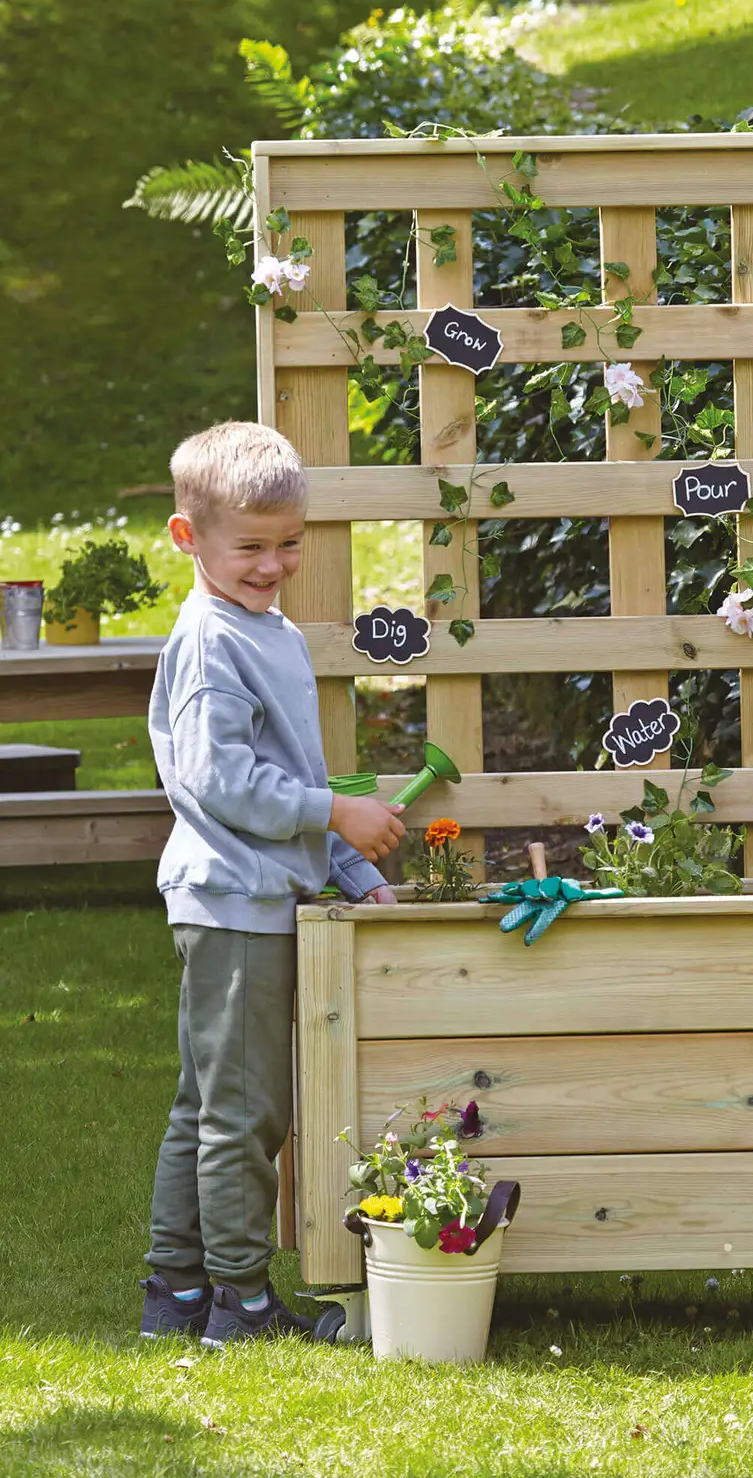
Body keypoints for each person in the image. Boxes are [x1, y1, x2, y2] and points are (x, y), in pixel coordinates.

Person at [138, 421, 405, 1346]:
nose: (272, 563)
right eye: (249, 546)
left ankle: (173, 1295)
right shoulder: (215, 643)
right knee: (246, 1115)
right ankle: (240, 1305)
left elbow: (281, 762)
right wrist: (337, 813)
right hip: (236, 904)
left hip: (246, 896)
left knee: (209, 1103)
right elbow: (223, 782)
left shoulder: (265, 630)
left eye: (289, 543)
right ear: (189, 538)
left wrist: (354, 871)